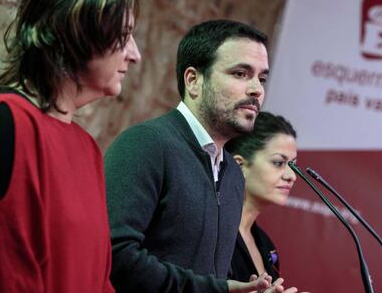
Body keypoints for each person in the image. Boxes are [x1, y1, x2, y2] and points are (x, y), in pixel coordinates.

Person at [105, 19, 293, 293]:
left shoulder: (231, 173)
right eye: (241, 74)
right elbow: (115, 255)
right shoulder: (146, 145)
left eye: (261, 78)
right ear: (193, 80)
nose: (256, 89)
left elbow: (210, 276)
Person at [0, 0, 141, 292]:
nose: (134, 54)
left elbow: (99, 279)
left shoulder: (87, 148)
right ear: (76, 34)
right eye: (123, 36)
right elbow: (7, 275)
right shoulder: (5, 120)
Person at [225, 112, 299, 289]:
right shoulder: (209, 232)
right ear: (239, 165)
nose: (292, 176)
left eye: (293, 165)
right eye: (278, 163)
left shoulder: (266, 246)